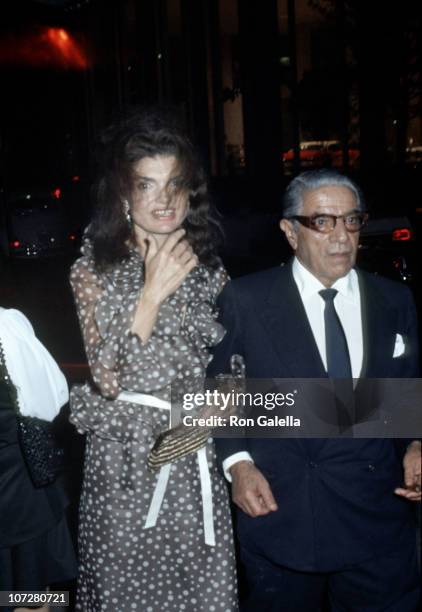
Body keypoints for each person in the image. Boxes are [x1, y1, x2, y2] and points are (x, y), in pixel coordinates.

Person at [208, 169, 421, 611]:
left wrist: (415, 443)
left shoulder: (394, 300)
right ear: (290, 231)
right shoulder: (244, 299)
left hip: (376, 515)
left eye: (352, 221)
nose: (341, 236)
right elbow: (214, 395)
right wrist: (238, 464)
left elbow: (404, 392)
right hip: (282, 513)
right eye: (322, 222)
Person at [69, 108, 238, 611]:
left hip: (191, 457)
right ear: (124, 193)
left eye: (175, 184)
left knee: (200, 593)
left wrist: (209, 415)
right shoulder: (92, 268)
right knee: (126, 593)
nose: (163, 200)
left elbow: (235, 368)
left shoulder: (211, 271)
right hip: (124, 465)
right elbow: (106, 379)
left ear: (192, 192)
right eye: (147, 185)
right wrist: (151, 295)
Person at [0, 307, 77, 612]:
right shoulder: (9, 324)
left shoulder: (9, 324)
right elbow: (51, 398)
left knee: (30, 599)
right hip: (25, 489)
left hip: (22, 492)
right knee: (30, 597)